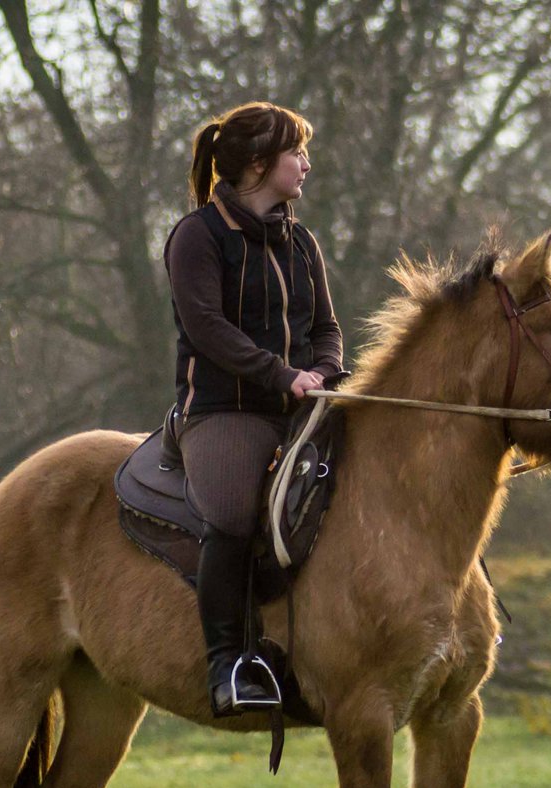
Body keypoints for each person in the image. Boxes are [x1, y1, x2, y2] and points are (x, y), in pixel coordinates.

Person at [164, 102, 345, 716]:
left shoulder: (303, 241)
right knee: (236, 518)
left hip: (303, 403)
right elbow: (207, 328)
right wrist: (281, 374)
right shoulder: (196, 237)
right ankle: (228, 666)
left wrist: (321, 371)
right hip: (222, 412)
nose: (306, 164)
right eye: (297, 153)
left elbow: (326, 326)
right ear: (260, 163)